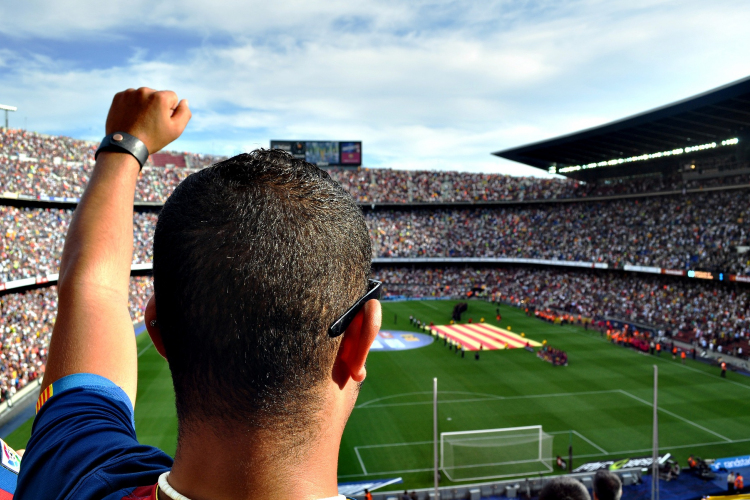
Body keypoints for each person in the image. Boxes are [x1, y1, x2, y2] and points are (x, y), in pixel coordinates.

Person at [16, 88, 382, 500]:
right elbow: (91, 290)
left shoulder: (75, 475)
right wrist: (124, 144)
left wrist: (125, 142)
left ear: (158, 331)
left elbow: (92, 289)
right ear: (360, 339)